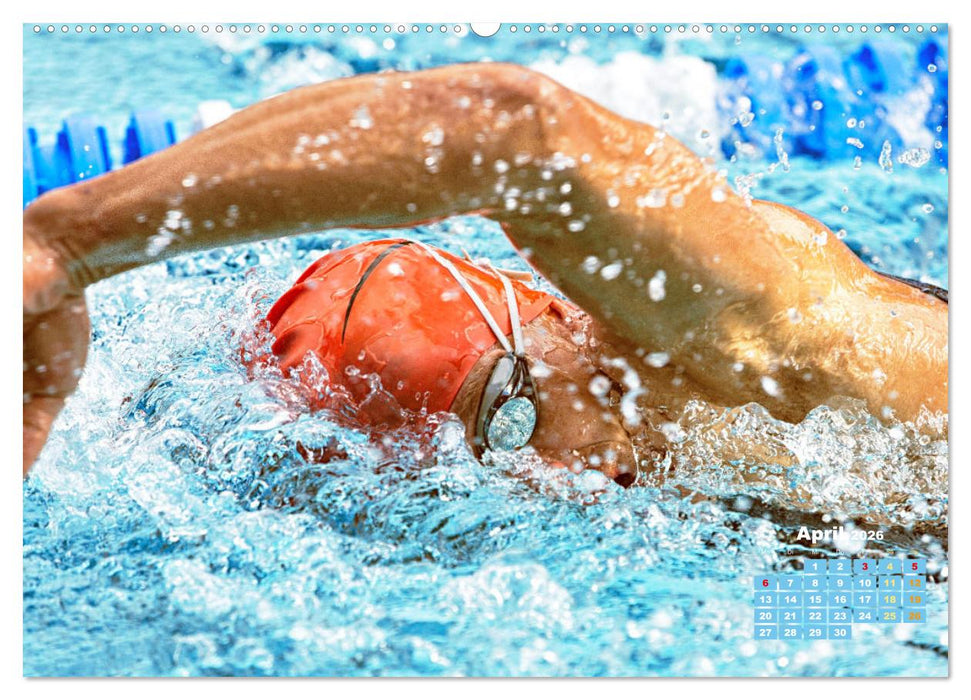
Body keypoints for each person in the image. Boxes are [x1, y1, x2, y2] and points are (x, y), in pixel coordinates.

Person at [23, 62, 948, 483]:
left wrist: (66, 244)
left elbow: (517, 129)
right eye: (469, 468)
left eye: (507, 414)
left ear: (543, 306)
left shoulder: (748, 332)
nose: (542, 478)